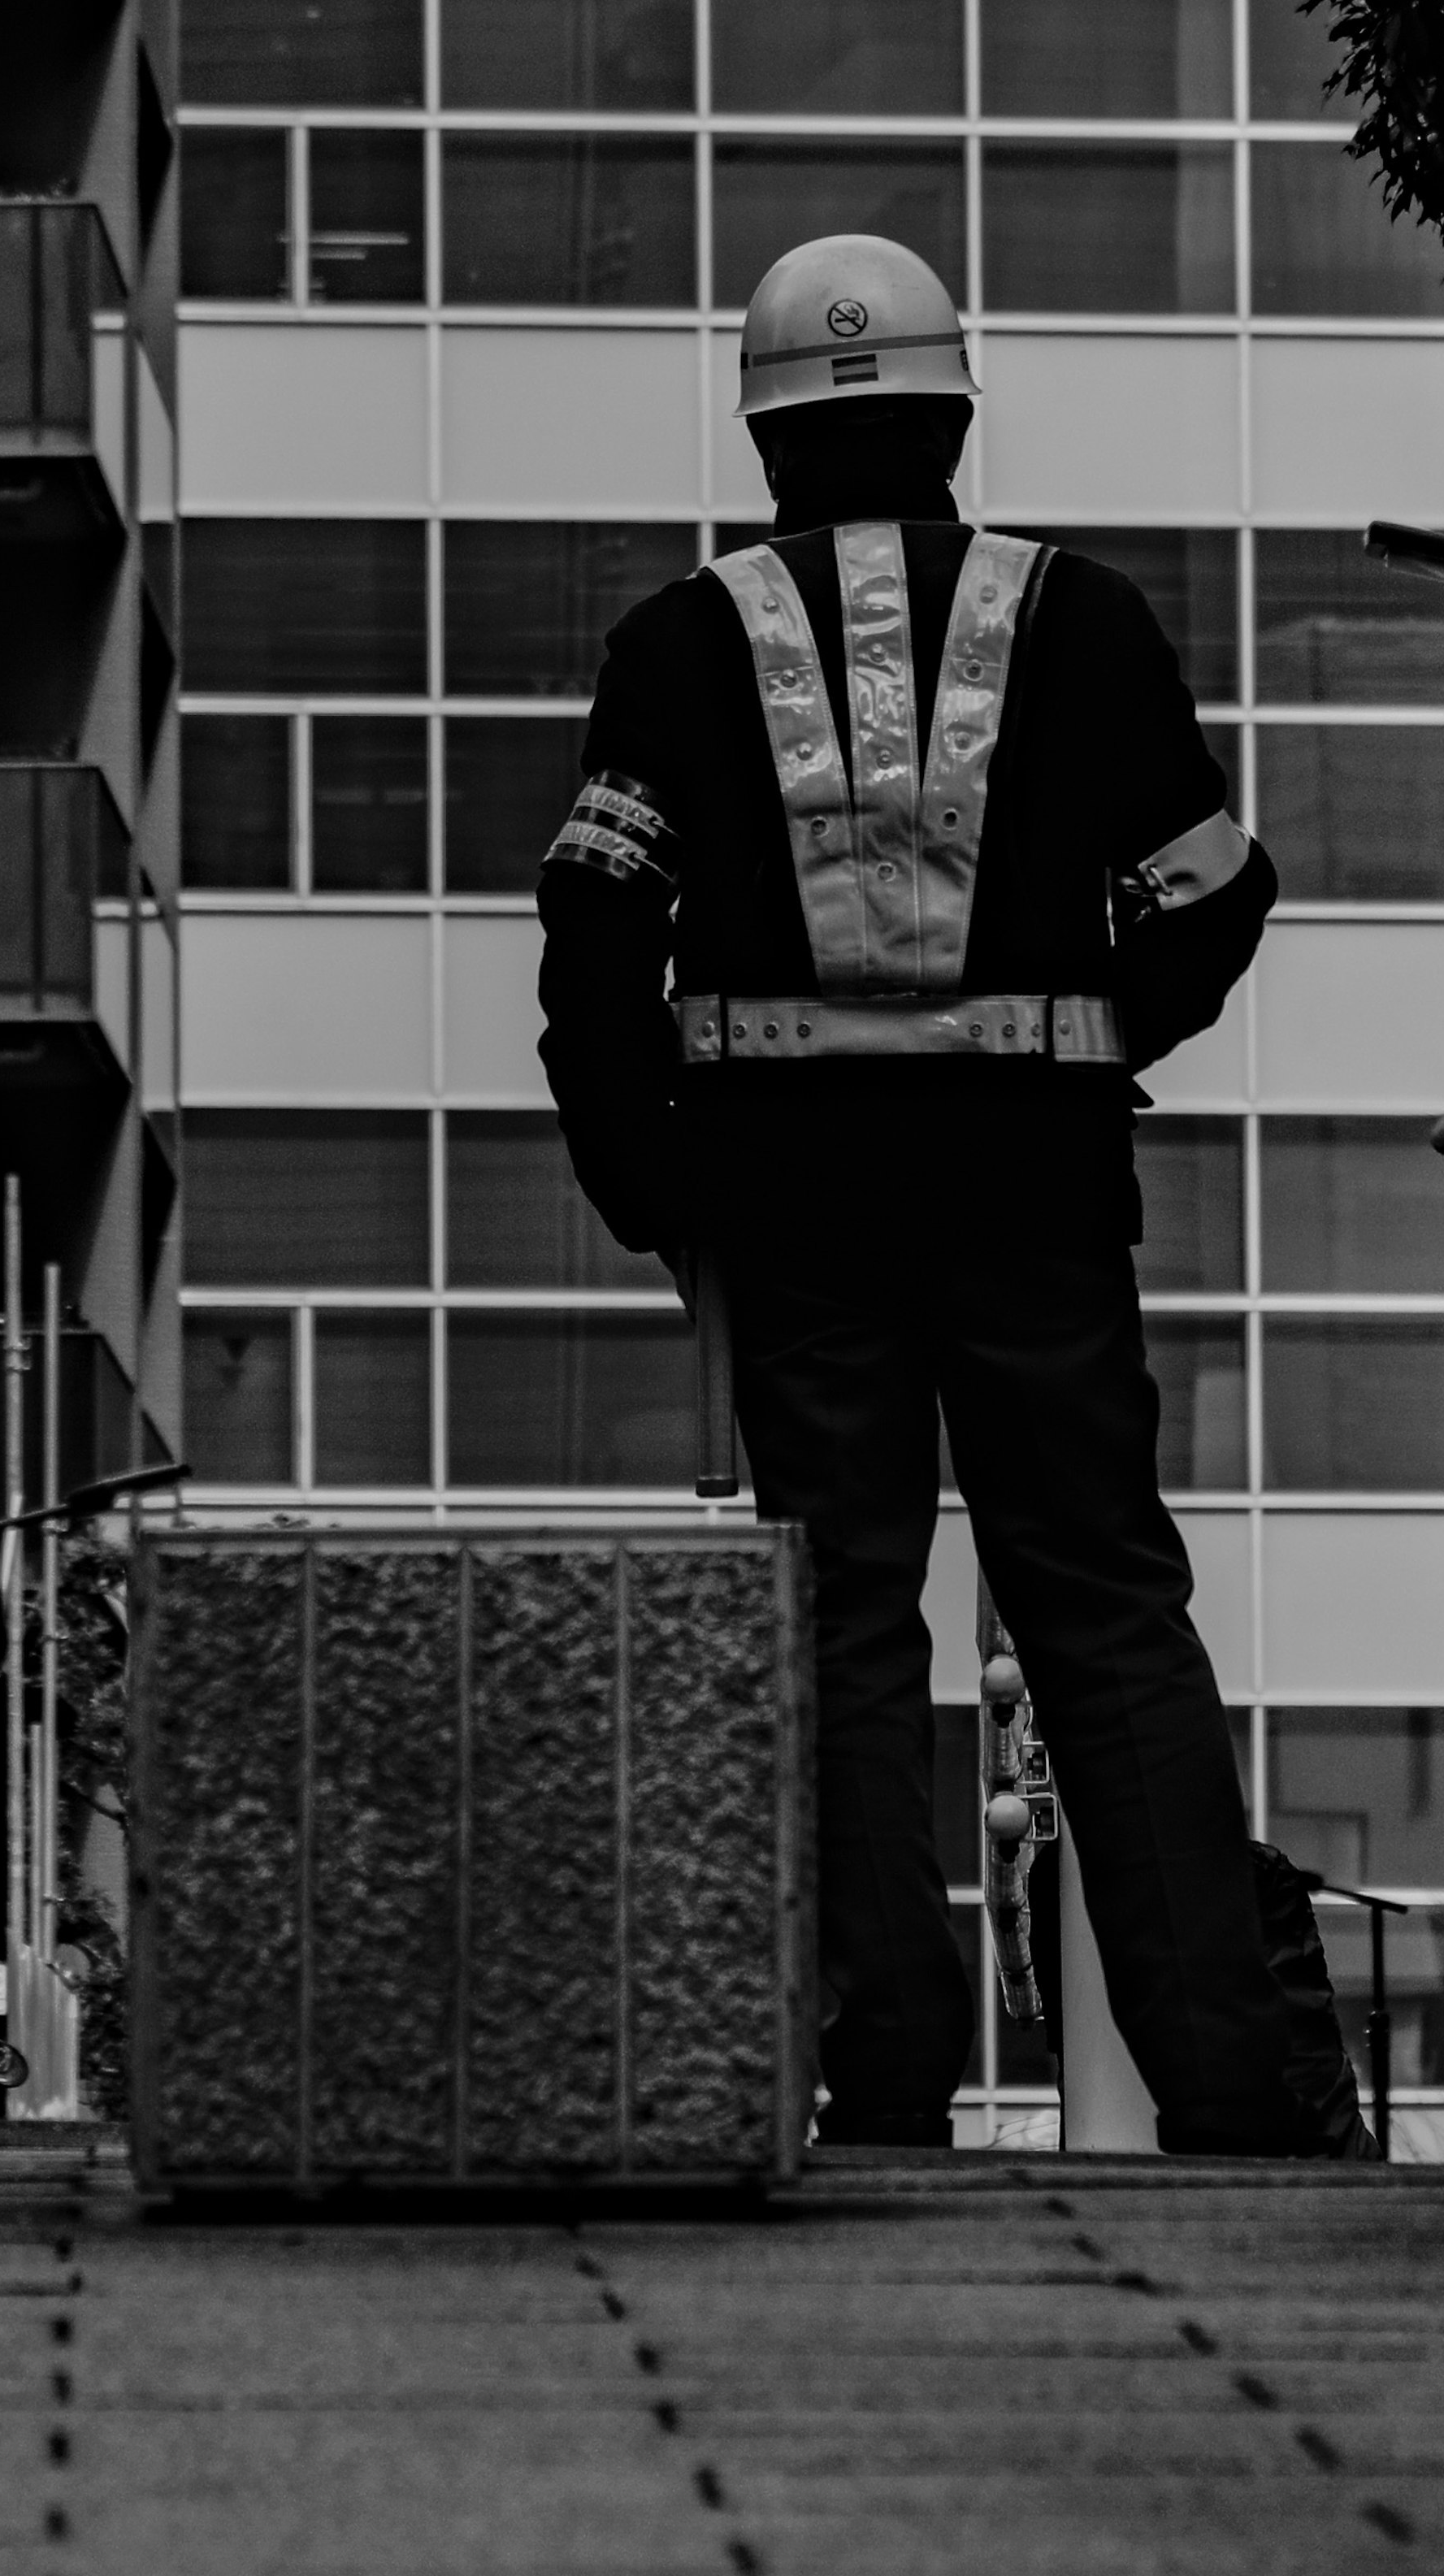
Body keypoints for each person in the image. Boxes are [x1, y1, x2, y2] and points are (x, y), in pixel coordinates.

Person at [537, 230, 1336, 2154]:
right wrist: (1087, 1032)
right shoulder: (1089, 621)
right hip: (1037, 1191)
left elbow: (588, 940)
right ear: (958, 406)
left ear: (763, 428)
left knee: (844, 1616)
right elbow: (1219, 890)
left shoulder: (674, 644)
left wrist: (666, 1190)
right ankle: (1222, 2081)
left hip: (793, 1207)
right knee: (1106, 1613)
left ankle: (880, 2071)